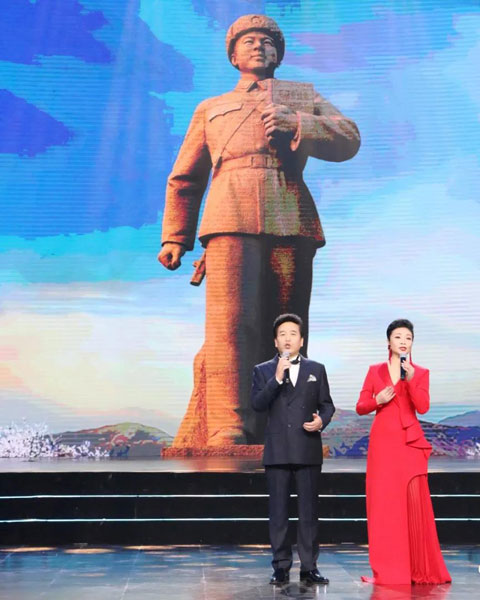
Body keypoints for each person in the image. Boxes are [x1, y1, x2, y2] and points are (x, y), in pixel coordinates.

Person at [158, 14, 360, 450]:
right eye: (248, 41)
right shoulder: (210, 108)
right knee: (230, 326)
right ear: (233, 56)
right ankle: (227, 426)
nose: (258, 46)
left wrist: (299, 124)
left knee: (288, 325)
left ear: (278, 54)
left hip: (289, 210)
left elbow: (349, 137)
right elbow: (185, 177)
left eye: (268, 41)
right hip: (228, 213)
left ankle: (286, 421)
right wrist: (176, 236)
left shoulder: (300, 96)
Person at [356, 319, 451, 585]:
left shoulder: (420, 373)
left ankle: (416, 567)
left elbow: (423, 407)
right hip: (383, 444)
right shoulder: (375, 371)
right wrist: (377, 400)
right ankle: (388, 568)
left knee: (413, 503)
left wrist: (409, 381)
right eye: (398, 337)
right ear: (389, 342)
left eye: (408, 338)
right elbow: (361, 406)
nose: (403, 342)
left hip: (409, 443)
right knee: (384, 504)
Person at [251, 313, 335, 585]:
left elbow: (327, 404)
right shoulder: (263, 370)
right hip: (277, 452)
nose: (288, 339)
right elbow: (257, 404)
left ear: (302, 340)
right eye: (283, 334)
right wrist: (276, 379)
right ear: (275, 341)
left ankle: (309, 567)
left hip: (307, 449)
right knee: (278, 513)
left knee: (308, 513)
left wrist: (321, 421)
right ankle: (280, 566)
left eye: (293, 334)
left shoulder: (316, 369)